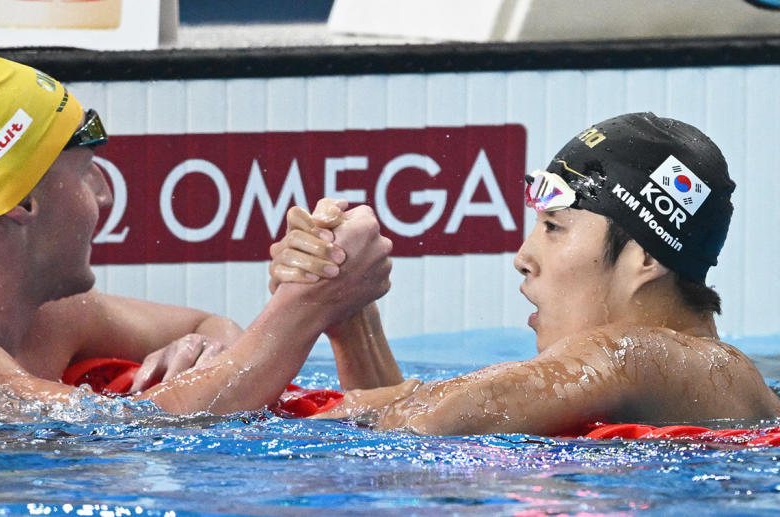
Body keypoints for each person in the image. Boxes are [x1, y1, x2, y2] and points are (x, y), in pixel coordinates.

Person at [0, 55, 393, 412]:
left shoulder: (48, 318)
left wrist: (204, 349)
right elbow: (141, 432)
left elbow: (203, 326)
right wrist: (308, 304)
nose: (104, 194)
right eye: (86, 169)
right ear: (22, 199)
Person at [270, 113, 780, 436]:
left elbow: (429, 423)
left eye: (554, 226)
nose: (523, 256)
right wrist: (348, 314)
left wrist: (289, 324)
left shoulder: (644, 358)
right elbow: (430, 425)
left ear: (645, 258)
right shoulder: (671, 375)